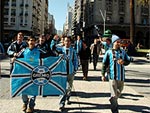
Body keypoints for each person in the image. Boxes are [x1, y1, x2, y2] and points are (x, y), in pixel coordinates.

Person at [14, 36, 56, 113]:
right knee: (23, 89)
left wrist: (57, 56)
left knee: (34, 90)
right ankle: (25, 103)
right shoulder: (24, 50)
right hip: (25, 74)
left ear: (35, 42)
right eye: (30, 40)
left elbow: (49, 54)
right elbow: (16, 56)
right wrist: (14, 58)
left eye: (33, 40)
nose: (31, 42)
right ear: (27, 42)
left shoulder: (39, 51)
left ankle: (31, 106)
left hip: (35, 74)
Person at [101, 35, 133, 113]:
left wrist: (124, 62)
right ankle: (115, 110)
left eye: (119, 41)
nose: (119, 43)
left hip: (121, 77)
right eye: (117, 41)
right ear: (114, 42)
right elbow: (104, 63)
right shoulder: (109, 52)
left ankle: (112, 100)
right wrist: (102, 74)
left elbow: (128, 60)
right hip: (112, 77)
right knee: (114, 95)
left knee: (119, 91)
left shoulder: (123, 51)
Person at [56, 36, 78, 111]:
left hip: (71, 72)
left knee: (69, 88)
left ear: (70, 42)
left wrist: (75, 69)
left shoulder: (73, 50)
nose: (67, 42)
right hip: (62, 72)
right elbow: (52, 47)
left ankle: (68, 97)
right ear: (63, 42)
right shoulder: (60, 50)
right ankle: (61, 103)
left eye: (68, 41)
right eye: (66, 41)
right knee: (63, 88)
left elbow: (75, 60)